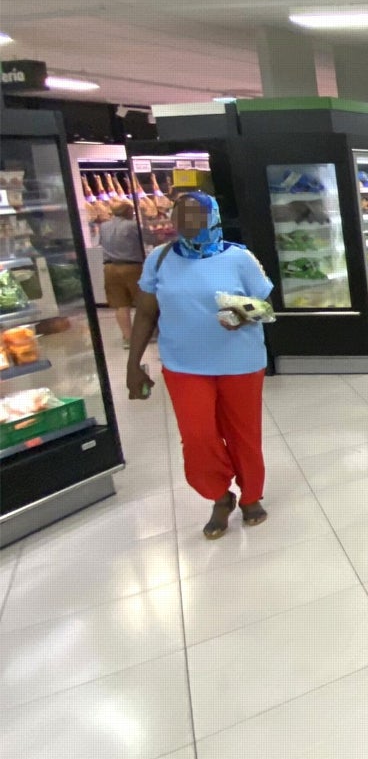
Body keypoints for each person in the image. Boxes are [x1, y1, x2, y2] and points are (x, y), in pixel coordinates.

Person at [126, 193, 274, 540]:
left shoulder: (240, 259)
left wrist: (242, 314)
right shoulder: (159, 260)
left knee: (244, 434)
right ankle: (220, 495)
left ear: (212, 218)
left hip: (240, 362)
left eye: (195, 215)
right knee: (196, 436)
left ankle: (251, 495)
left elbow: (266, 307)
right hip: (184, 364)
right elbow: (146, 313)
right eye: (180, 214)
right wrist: (133, 364)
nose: (186, 222)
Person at [99, 199, 144, 349]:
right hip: (132, 267)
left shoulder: (103, 226)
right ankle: (145, 334)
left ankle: (128, 338)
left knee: (120, 305)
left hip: (110, 268)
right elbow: (146, 240)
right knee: (142, 302)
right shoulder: (132, 226)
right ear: (129, 212)